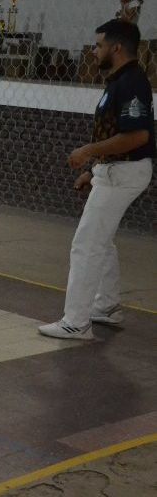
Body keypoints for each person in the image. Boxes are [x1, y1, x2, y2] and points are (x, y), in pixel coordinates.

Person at [39, 19, 154, 340]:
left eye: (99, 45)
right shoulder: (119, 81)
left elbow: (136, 135)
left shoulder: (132, 83)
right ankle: (106, 306)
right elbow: (115, 133)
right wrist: (94, 171)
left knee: (86, 244)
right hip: (112, 172)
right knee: (100, 240)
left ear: (116, 48)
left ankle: (76, 322)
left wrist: (88, 152)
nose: (93, 51)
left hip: (125, 173)